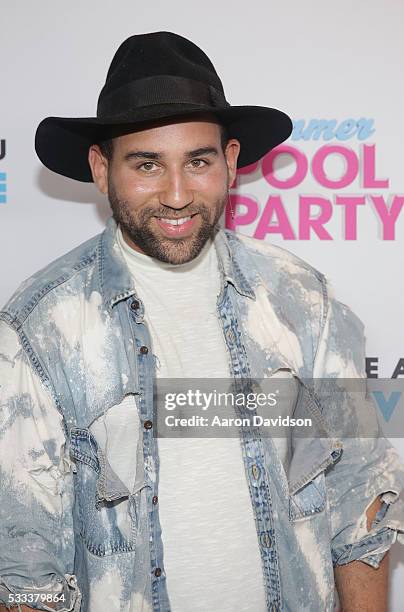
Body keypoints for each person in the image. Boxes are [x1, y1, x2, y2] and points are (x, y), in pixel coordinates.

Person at [0, 31, 404, 612]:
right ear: (100, 168)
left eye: (198, 161)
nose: (177, 194)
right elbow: (25, 567)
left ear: (231, 161)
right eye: (146, 165)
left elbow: (358, 493)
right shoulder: (40, 330)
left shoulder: (301, 300)